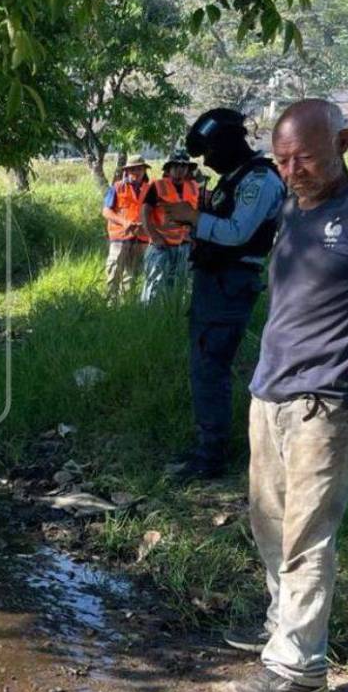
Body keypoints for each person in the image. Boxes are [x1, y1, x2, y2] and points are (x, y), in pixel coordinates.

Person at [225, 99, 348, 692]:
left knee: (308, 533)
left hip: (327, 401)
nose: (292, 170)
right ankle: (284, 627)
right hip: (270, 391)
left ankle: (300, 669)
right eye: (283, 160)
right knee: (269, 522)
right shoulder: (291, 208)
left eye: (304, 157)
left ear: (343, 140)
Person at [162, 109, 286, 481]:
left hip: (230, 283)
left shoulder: (260, 180)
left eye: (209, 151)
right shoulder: (235, 178)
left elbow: (237, 232)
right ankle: (208, 446)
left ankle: (211, 456)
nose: (206, 161)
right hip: (214, 282)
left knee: (210, 367)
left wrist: (194, 217)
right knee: (204, 364)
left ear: (230, 142)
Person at [140, 150, 199, 304]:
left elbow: (197, 214)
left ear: (188, 169)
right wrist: (154, 236)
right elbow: (144, 212)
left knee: (181, 285)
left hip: (184, 245)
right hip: (161, 246)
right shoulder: (158, 186)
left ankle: (172, 317)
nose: (180, 170)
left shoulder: (194, 187)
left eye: (184, 166)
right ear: (169, 168)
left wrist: (195, 237)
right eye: (176, 166)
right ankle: (148, 316)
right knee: (154, 284)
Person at [101, 158, 151, 301]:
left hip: (141, 238)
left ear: (144, 170)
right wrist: (124, 222)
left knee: (132, 276)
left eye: (139, 169)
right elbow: (106, 212)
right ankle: (110, 306)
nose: (136, 172)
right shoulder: (117, 187)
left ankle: (126, 308)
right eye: (133, 169)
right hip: (119, 237)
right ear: (127, 171)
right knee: (114, 272)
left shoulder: (149, 189)